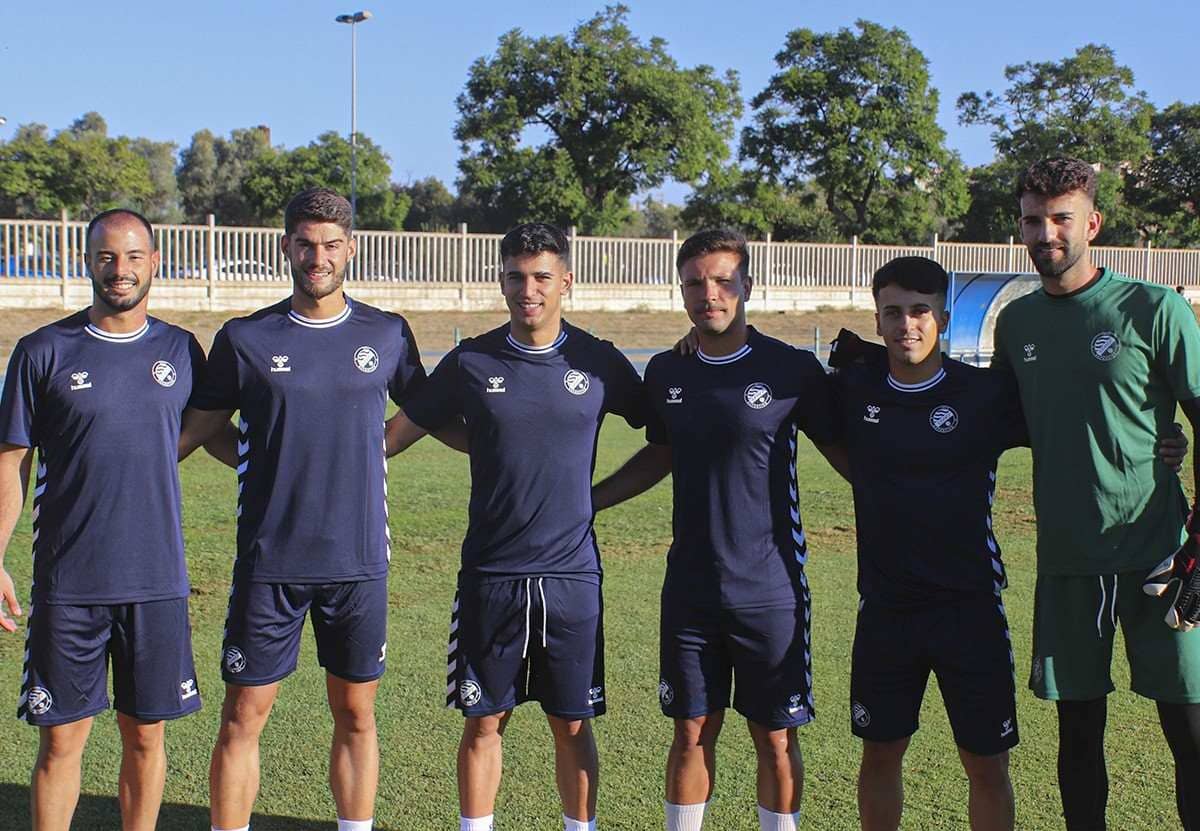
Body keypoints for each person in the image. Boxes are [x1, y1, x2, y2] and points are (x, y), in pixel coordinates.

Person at [178, 188, 428, 831]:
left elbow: (424, 408)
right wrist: (249, 457)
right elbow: (200, 426)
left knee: (355, 714)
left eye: (331, 245)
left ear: (351, 248)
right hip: (271, 562)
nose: (318, 257)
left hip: (359, 561)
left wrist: (380, 446)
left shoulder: (387, 332)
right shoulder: (245, 338)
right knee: (242, 717)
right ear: (286, 246)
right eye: (305, 243)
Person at [383, 222, 646, 831]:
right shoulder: (472, 360)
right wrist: (487, 444)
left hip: (571, 575)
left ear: (567, 283)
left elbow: (664, 436)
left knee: (572, 722)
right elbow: (396, 435)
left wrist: (596, 498)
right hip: (491, 574)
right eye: (516, 276)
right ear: (501, 280)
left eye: (541, 277)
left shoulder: (598, 360)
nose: (528, 289)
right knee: (483, 721)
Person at [591, 228, 839, 831]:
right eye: (696, 283)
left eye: (724, 280)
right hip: (692, 588)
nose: (711, 294)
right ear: (682, 292)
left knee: (775, 738)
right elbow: (663, 451)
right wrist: (589, 499)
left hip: (771, 587)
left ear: (747, 285)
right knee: (691, 731)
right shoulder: (668, 373)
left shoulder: (791, 370)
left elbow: (853, 446)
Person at [991, 157, 1200, 830]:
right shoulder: (1016, 324)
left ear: (1093, 223)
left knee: (1191, 730)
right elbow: (995, 421)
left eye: (1060, 218)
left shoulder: (1153, 307)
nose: (1046, 231)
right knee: (1078, 736)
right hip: (1068, 560)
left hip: (1163, 558)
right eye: (1033, 218)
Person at [0, 209, 206, 830]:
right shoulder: (42, 352)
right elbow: (11, 462)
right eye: (107, 257)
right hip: (70, 586)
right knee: (61, 743)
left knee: (145, 740)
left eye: (134, 256)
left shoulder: (180, 350)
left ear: (155, 262)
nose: (121, 270)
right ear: (87, 261)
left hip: (156, 583)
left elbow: (216, 431)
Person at [828, 257, 1026, 831]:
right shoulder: (852, 387)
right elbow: (780, 379)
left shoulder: (986, 394)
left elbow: (1075, 420)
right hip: (887, 610)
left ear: (942, 316)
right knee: (880, 755)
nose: (906, 324)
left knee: (986, 764)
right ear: (877, 317)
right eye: (893, 312)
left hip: (971, 608)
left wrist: (1164, 440)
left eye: (919, 311)